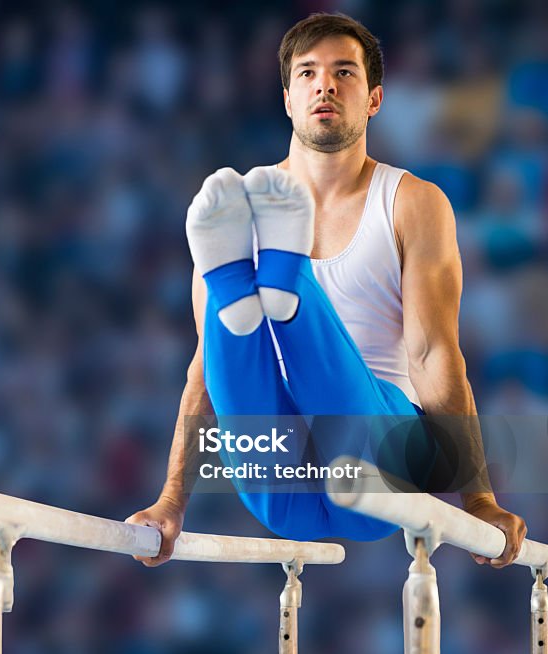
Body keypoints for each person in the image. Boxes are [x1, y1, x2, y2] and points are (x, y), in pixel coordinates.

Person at [126, 13, 527, 568]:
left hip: (381, 455)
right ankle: (260, 290)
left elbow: (433, 352)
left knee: (343, 426)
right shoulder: (231, 214)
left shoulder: (412, 203)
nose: (326, 85)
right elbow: (205, 371)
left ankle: (285, 283)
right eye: (308, 73)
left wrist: (478, 500)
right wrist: (171, 502)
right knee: (235, 354)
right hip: (284, 478)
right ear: (288, 98)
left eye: (344, 72)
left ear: (375, 99)